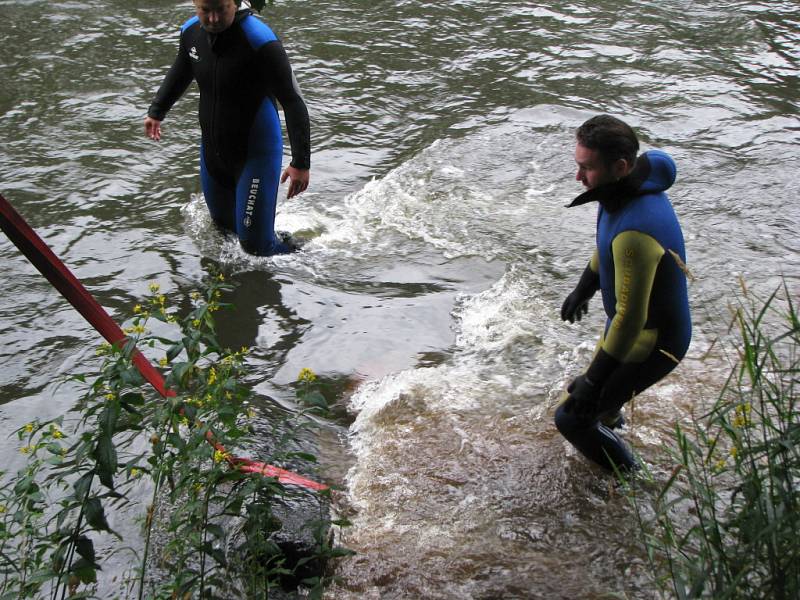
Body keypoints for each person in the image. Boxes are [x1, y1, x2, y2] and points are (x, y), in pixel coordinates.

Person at [554, 114, 691, 472]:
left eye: (587, 168)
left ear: (620, 166)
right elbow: (606, 246)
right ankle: (613, 426)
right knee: (601, 403)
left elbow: (631, 320)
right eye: (578, 166)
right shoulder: (625, 187)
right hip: (638, 328)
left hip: (654, 340)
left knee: (572, 418)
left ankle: (634, 484)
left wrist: (592, 380)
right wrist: (583, 289)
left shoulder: (637, 232)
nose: (578, 177)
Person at [144, 0, 310, 256]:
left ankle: (308, 255)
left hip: (256, 153)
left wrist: (301, 162)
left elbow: (293, 100)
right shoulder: (190, 32)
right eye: (204, 10)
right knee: (223, 231)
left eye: (221, 10)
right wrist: (157, 111)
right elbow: (182, 68)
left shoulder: (260, 40)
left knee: (255, 247)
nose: (212, 19)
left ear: (235, 3)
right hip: (213, 152)